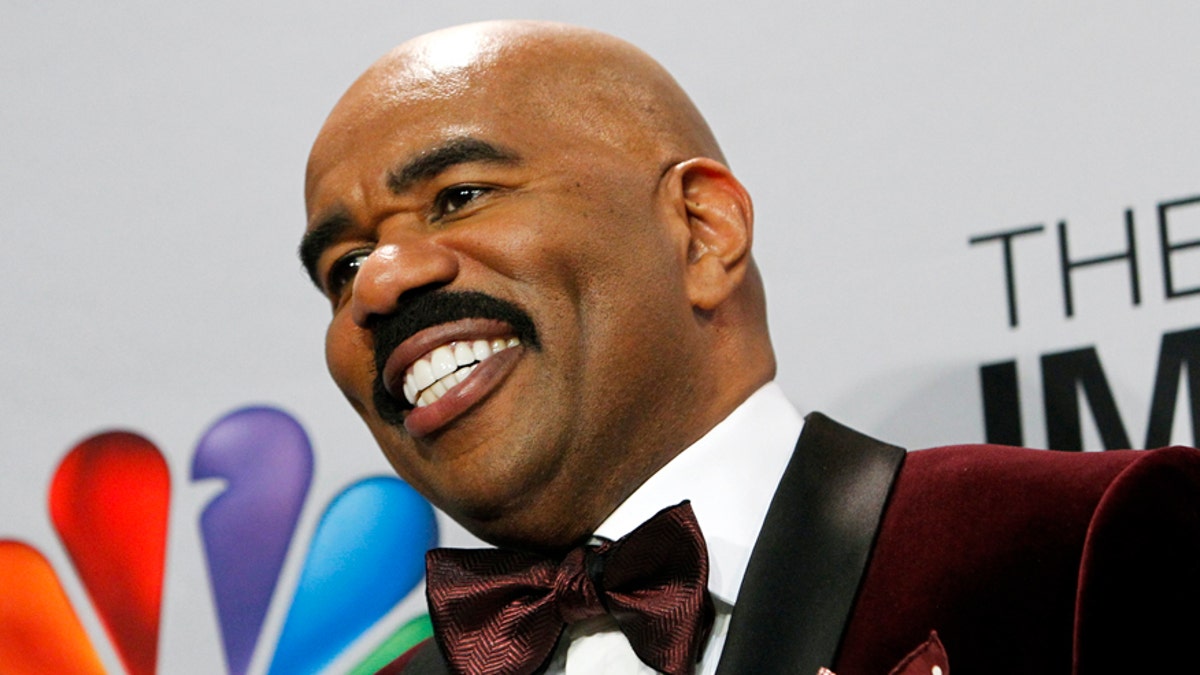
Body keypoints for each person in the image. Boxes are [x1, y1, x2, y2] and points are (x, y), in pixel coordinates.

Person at [300, 20, 1200, 675]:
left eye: (458, 196)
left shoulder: (1072, 546)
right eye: (341, 266)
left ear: (702, 231)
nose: (376, 285)